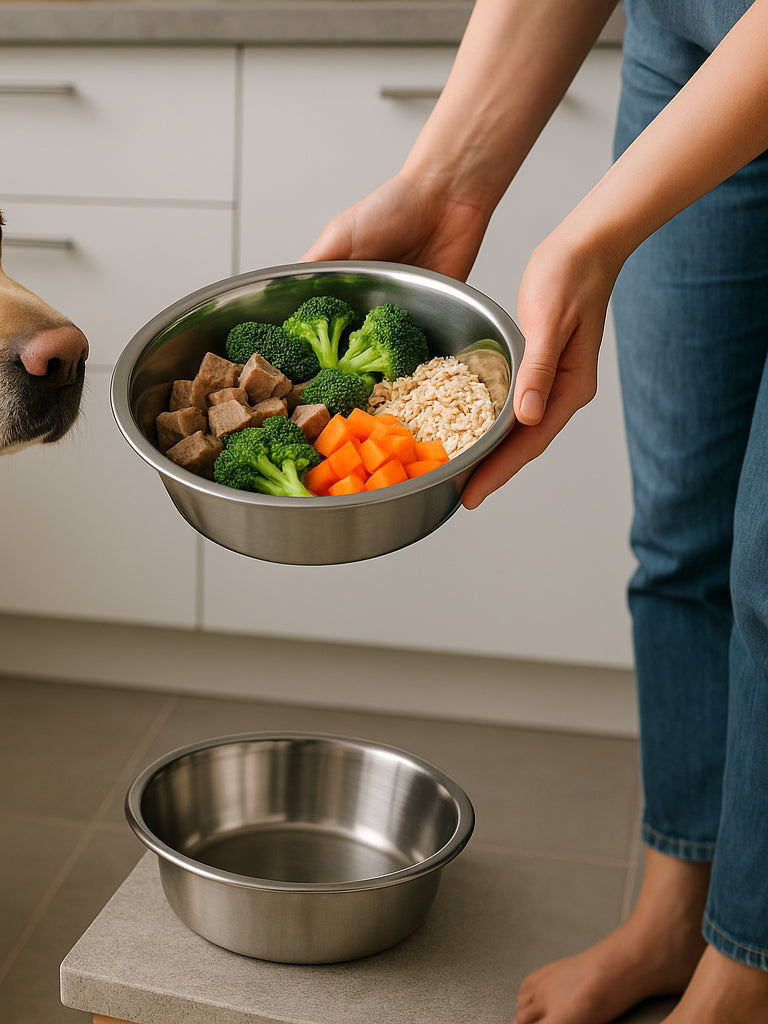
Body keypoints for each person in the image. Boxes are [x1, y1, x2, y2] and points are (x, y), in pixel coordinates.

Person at [303, 1, 768, 1021]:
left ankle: (747, 972)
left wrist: (592, 236)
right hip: (691, 31)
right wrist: (443, 183)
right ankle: (675, 913)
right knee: (681, 529)